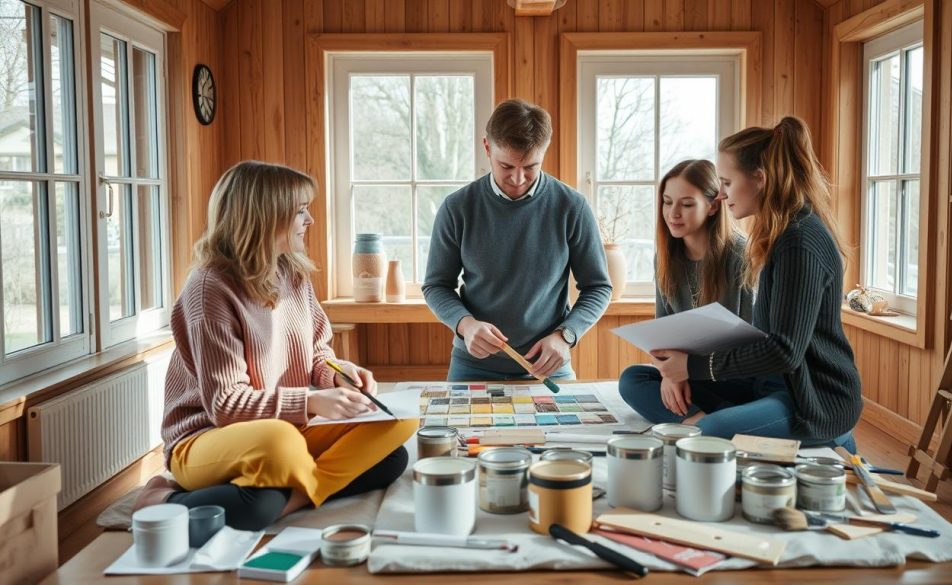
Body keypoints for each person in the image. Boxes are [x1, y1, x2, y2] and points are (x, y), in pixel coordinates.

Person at [133, 161, 417, 530]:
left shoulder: (292, 272)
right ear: (265, 215)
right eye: (300, 211)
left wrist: (338, 375)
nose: (309, 220)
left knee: (397, 429)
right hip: (208, 437)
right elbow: (225, 405)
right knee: (281, 446)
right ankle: (163, 496)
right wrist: (311, 401)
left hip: (282, 428)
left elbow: (318, 351)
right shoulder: (209, 288)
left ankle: (294, 493)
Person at [640, 117, 862, 450]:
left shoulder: (799, 241)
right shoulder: (783, 235)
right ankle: (736, 423)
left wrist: (691, 366)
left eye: (727, 182)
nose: (722, 194)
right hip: (770, 387)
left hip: (812, 402)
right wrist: (677, 371)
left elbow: (785, 351)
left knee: (712, 430)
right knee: (636, 380)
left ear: (759, 179)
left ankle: (744, 425)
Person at [422, 98, 612, 382]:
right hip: (473, 365)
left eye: (531, 167)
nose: (519, 178)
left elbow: (598, 287)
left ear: (544, 153)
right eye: (506, 166)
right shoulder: (457, 208)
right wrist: (465, 324)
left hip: (549, 366)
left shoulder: (572, 207)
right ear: (487, 147)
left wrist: (566, 336)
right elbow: (436, 285)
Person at [618, 159, 752, 421]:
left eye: (687, 204)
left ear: (713, 206)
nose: (673, 213)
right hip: (691, 376)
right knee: (632, 379)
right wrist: (669, 375)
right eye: (667, 202)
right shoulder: (665, 258)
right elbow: (662, 336)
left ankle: (710, 419)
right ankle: (703, 421)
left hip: (737, 375)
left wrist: (682, 370)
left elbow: (754, 340)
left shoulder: (741, 254)